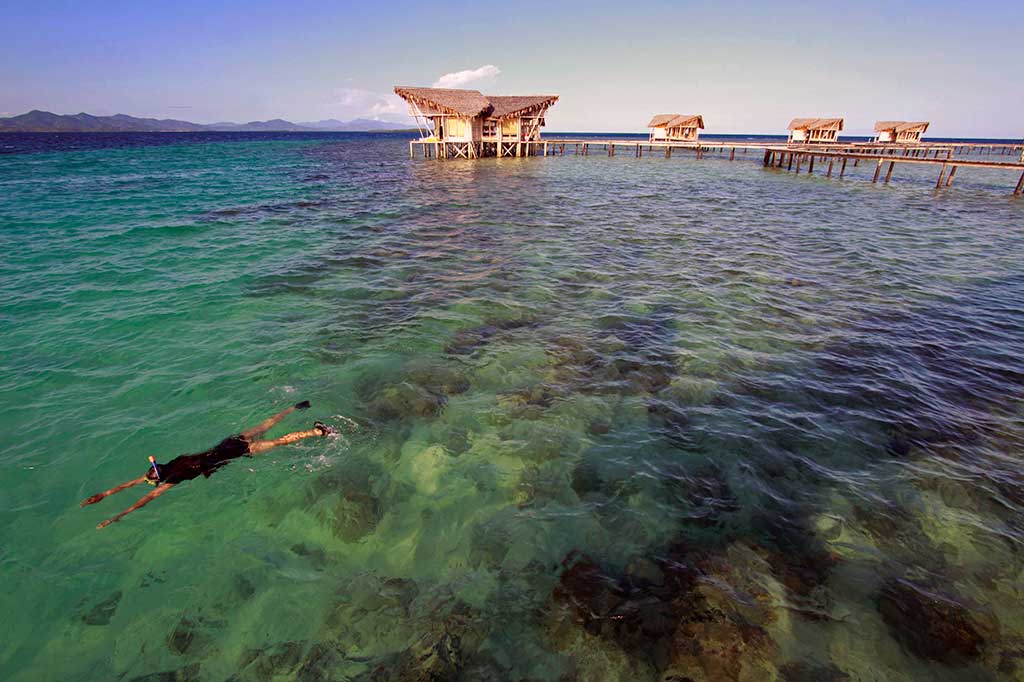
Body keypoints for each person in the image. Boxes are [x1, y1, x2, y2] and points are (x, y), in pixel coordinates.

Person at [80, 401, 336, 529]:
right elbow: (133, 483)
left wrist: (119, 516)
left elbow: (144, 500)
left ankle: (318, 433)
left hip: (239, 452)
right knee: (267, 424)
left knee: (279, 442)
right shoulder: (171, 465)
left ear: (157, 480)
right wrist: (103, 495)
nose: (146, 482)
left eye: (149, 482)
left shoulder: (173, 479)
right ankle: (295, 407)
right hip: (229, 443)